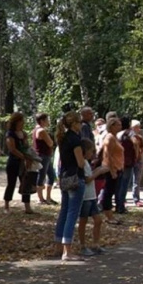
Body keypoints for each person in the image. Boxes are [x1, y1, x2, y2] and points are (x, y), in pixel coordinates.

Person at [54, 111, 87, 261]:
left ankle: (58, 245)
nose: (81, 125)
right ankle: (67, 251)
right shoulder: (75, 139)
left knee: (64, 211)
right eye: (79, 122)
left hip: (64, 177)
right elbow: (80, 162)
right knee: (72, 213)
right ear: (74, 124)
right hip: (75, 178)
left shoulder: (63, 138)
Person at [77, 139, 110, 257]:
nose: (93, 154)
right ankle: (82, 245)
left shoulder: (87, 163)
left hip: (92, 196)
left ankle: (96, 244)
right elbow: (87, 179)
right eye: (91, 151)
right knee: (83, 221)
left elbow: (90, 175)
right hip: (85, 197)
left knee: (98, 220)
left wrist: (99, 170)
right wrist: (98, 172)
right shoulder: (83, 163)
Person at [3, 112, 35, 214]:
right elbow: (12, 149)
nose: (22, 122)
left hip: (24, 163)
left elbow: (26, 147)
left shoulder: (24, 133)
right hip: (13, 162)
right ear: (15, 121)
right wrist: (23, 157)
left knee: (25, 183)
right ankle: (6, 206)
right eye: (21, 120)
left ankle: (27, 206)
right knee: (11, 183)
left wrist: (29, 156)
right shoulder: (10, 134)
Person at [101, 117, 124, 225]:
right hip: (111, 169)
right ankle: (109, 216)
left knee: (112, 191)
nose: (120, 126)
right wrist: (112, 170)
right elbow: (107, 155)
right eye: (118, 124)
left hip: (117, 168)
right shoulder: (109, 138)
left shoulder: (115, 137)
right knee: (108, 192)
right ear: (112, 126)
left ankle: (110, 215)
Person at [32, 113, 56, 205]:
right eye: (47, 120)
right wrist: (51, 140)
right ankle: (40, 198)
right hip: (43, 156)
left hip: (45, 156)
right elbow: (50, 143)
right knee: (42, 176)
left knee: (51, 176)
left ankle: (48, 197)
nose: (48, 121)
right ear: (42, 121)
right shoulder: (41, 130)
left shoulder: (35, 130)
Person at [115, 117, 136, 214]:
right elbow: (135, 143)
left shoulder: (118, 134)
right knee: (124, 184)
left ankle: (117, 205)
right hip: (128, 162)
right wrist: (137, 155)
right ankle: (121, 206)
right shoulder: (130, 133)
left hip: (119, 161)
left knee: (119, 184)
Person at [130, 120, 143, 207]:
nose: (138, 129)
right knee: (126, 180)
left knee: (137, 180)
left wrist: (138, 153)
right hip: (129, 161)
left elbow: (142, 149)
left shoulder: (139, 138)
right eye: (136, 127)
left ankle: (136, 199)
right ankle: (122, 199)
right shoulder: (128, 136)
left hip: (138, 160)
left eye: (138, 127)